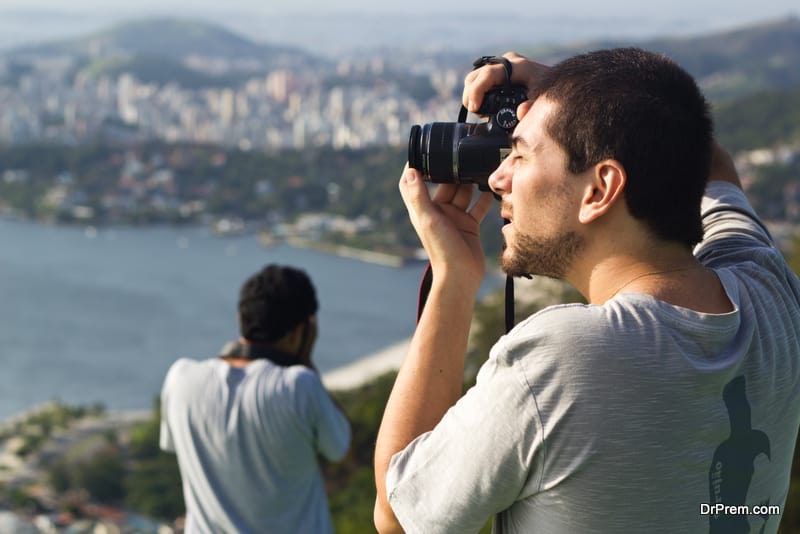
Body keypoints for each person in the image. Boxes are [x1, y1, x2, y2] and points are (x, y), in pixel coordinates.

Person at [373, 48, 800, 533]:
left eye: (518, 153)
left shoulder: (561, 360)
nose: (496, 178)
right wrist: (584, 97)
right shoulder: (771, 291)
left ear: (600, 189)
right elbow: (697, 152)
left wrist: (452, 278)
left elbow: (397, 513)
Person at [160, 264, 351, 533]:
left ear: (241, 319)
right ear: (300, 331)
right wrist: (306, 360)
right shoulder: (299, 387)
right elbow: (339, 445)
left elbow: (172, 444)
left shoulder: (181, 379)